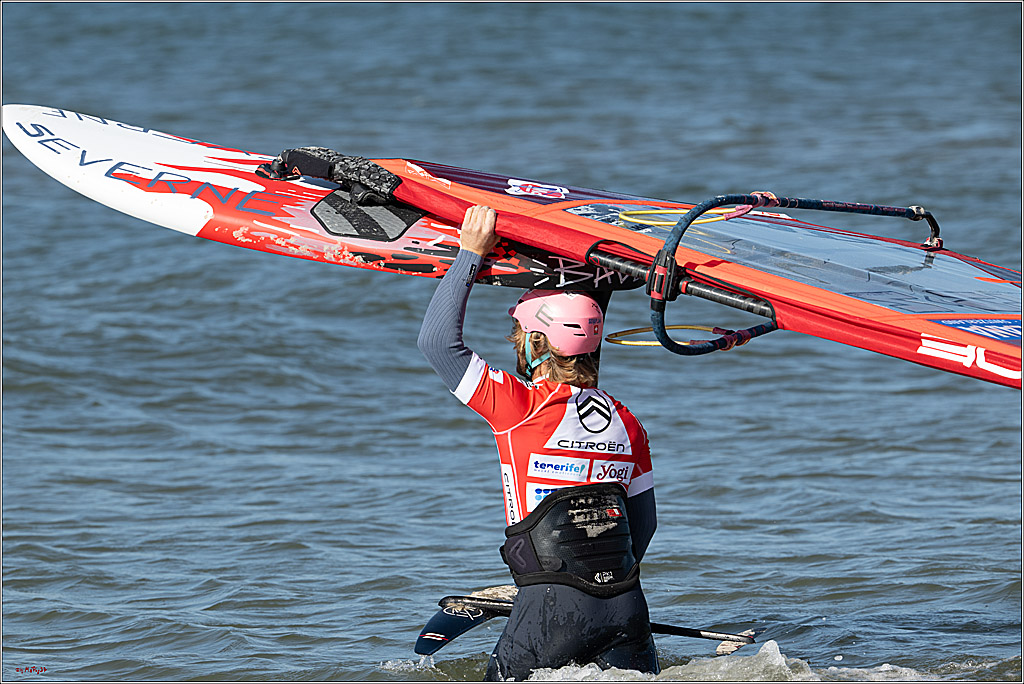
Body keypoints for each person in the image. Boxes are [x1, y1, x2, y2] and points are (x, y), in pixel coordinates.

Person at [418, 205, 659, 680]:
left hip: (552, 609)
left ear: (532, 343)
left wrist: (470, 253)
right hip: (628, 608)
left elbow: (437, 343)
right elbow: (642, 529)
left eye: (518, 337)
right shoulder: (628, 424)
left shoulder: (518, 405)